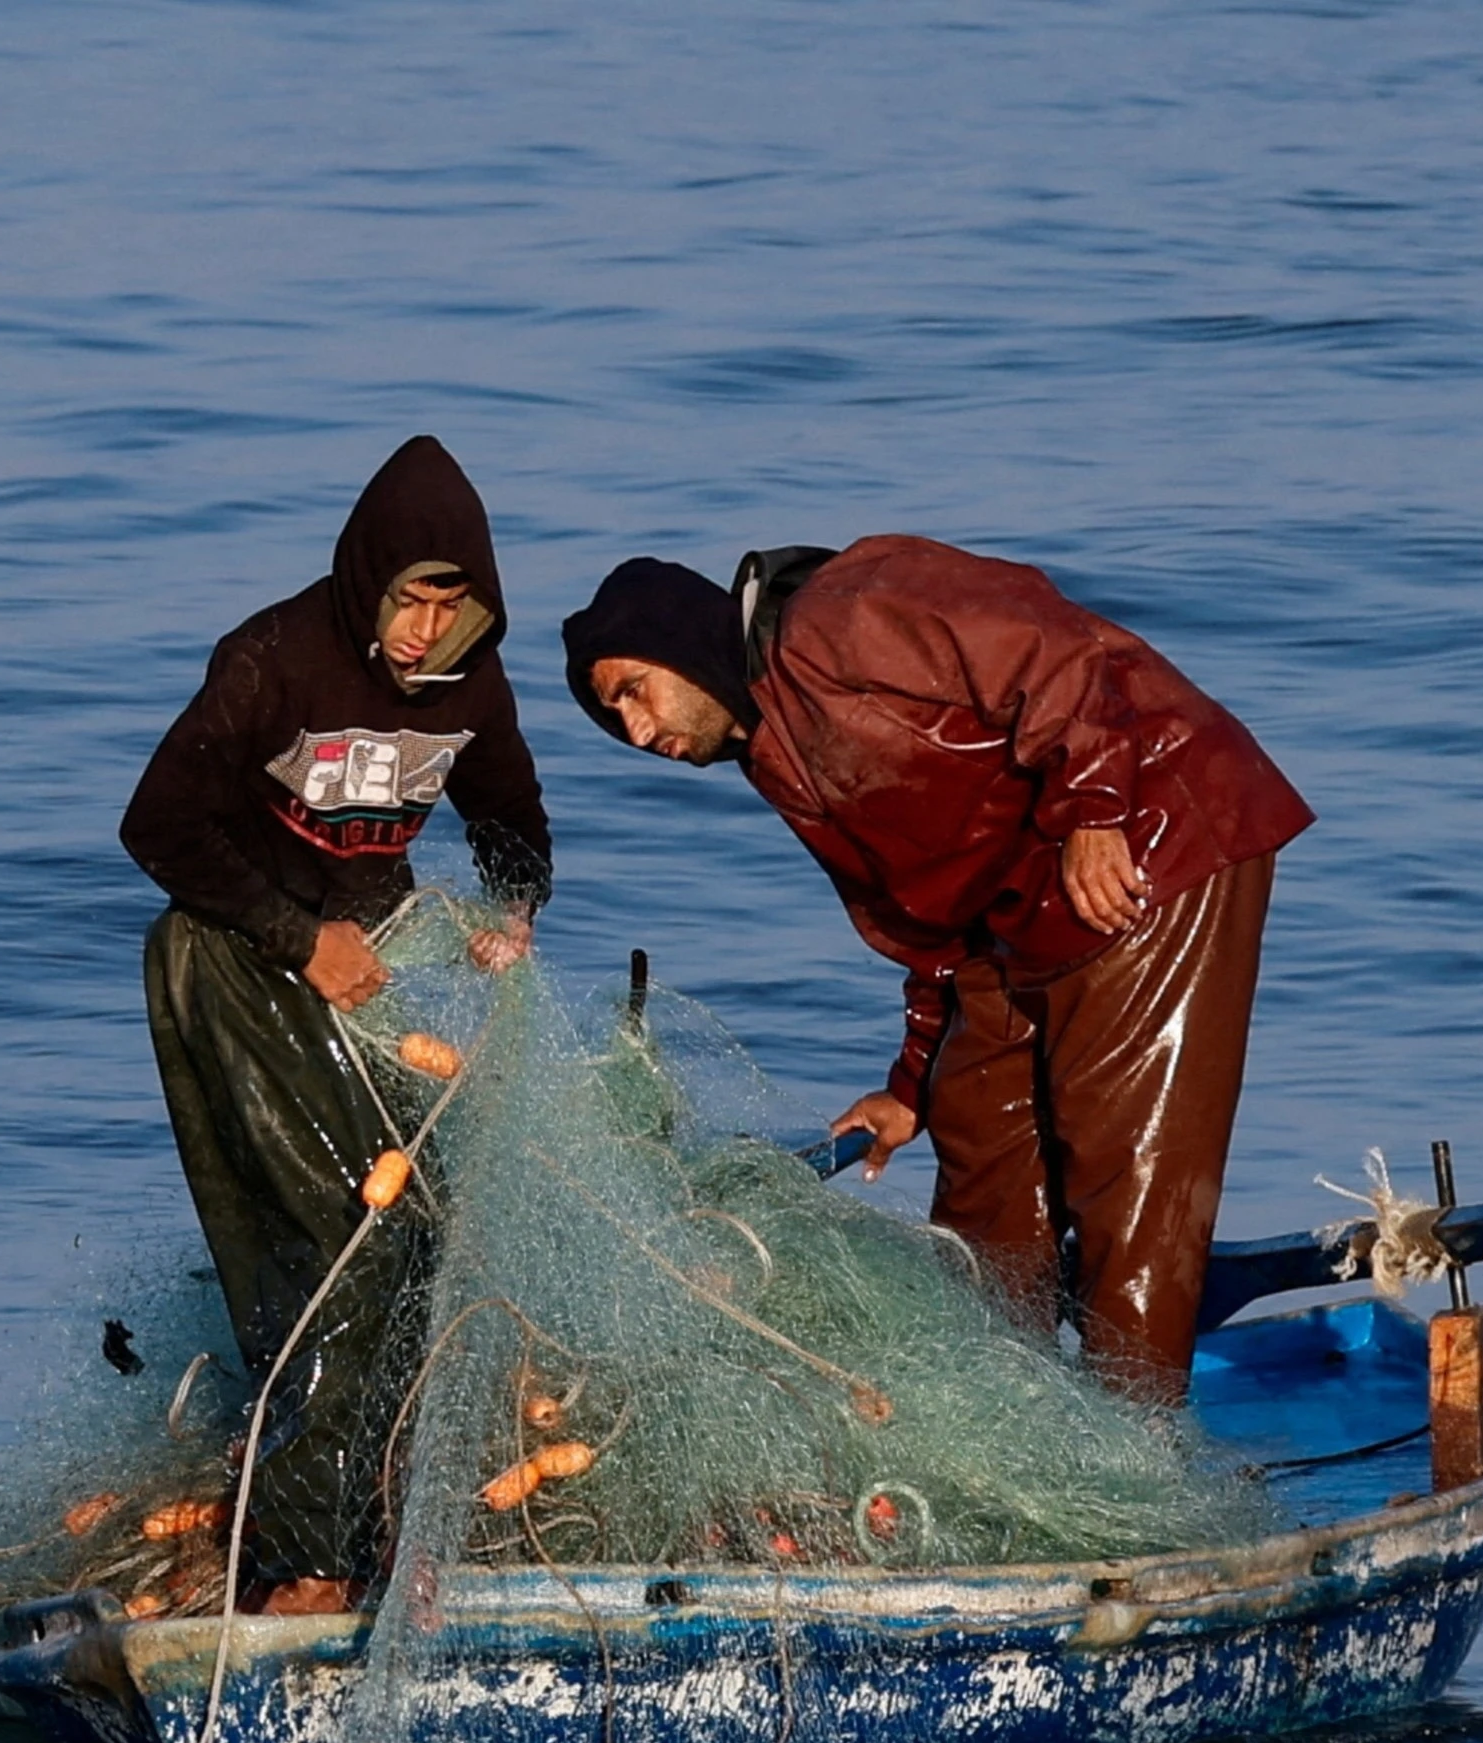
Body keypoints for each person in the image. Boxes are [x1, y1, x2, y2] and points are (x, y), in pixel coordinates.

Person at [558, 540, 1309, 1401]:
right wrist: (912, 1080)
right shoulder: (776, 759)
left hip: (1151, 835)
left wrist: (1096, 810)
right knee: (977, 1145)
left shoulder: (842, 613)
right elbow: (924, 918)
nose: (637, 732)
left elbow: (1054, 648)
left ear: (680, 646)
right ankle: (1001, 1419)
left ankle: (1139, 1455)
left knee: (1125, 1177)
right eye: (611, 719)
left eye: (632, 693)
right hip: (1020, 915)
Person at [122, 436, 552, 1611]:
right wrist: (300, 938)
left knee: (422, 1235)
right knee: (344, 1254)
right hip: (229, 959)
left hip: (365, 975)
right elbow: (156, 825)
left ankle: (355, 1525)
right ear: (367, 583)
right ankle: (304, 1568)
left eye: (449, 602)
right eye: (409, 599)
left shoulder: (471, 686)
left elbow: (511, 814)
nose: (424, 629)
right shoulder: (275, 661)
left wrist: (512, 909)